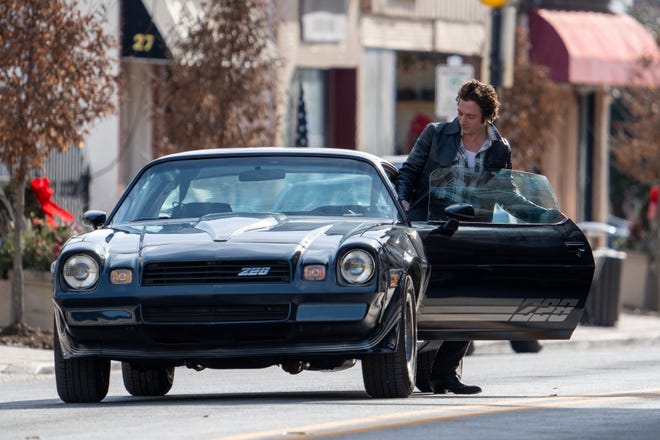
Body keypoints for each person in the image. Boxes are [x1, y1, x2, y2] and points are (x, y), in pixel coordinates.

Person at [396, 79, 509, 395]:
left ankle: (445, 373)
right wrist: (403, 202)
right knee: (429, 300)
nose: (462, 121)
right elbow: (408, 172)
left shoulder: (499, 149)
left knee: (471, 300)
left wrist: (545, 215)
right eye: (459, 113)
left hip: (472, 232)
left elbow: (506, 192)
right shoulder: (435, 134)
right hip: (431, 228)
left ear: (487, 117)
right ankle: (425, 363)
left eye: (470, 116)